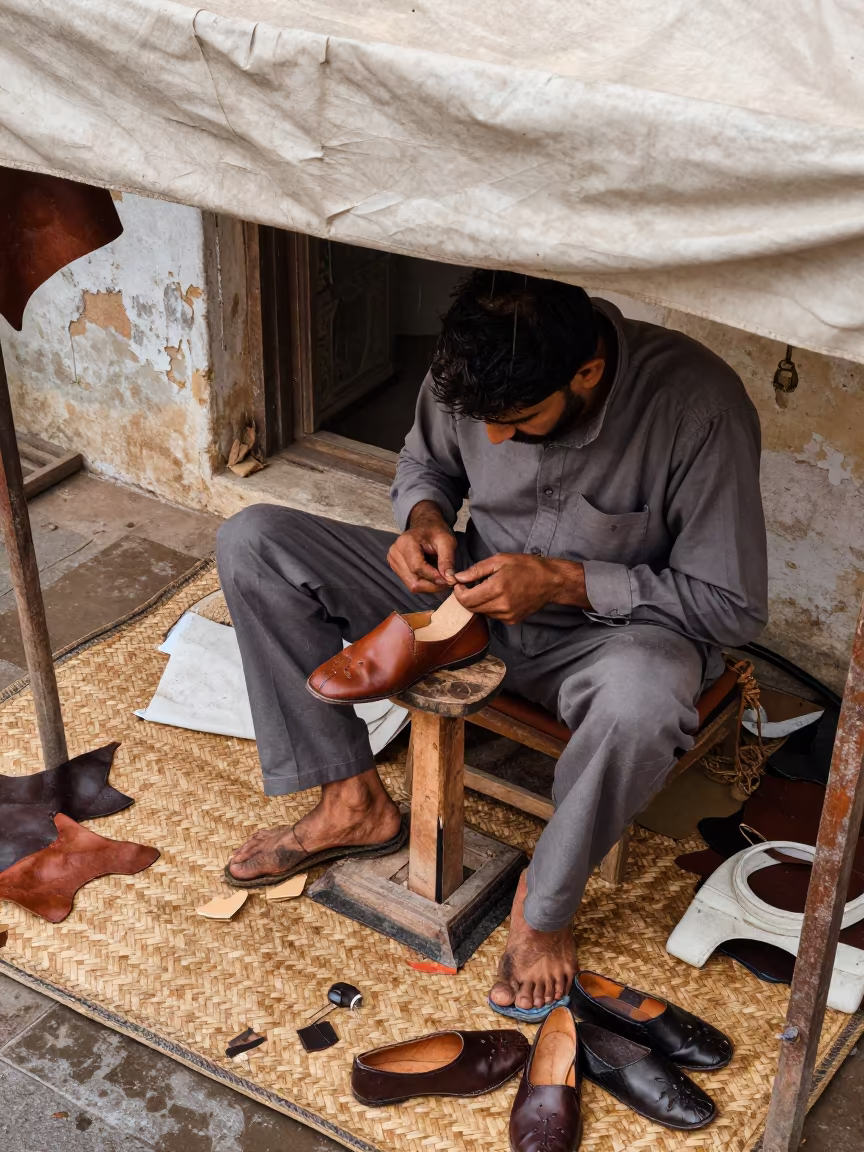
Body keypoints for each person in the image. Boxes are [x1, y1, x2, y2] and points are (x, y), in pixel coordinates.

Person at [217, 271, 768, 1013]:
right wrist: (423, 520)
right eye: (488, 423)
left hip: (611, 642)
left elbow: (731, 608)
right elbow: (426, 463)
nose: (499, 439)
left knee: (645, 702)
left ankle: (542, 910)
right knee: (254, 541)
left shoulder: (697, 409)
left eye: (519, 420)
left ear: (588, 373)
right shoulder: (472, 372)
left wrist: (568, 582)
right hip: (464, 602)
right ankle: (351, 802)